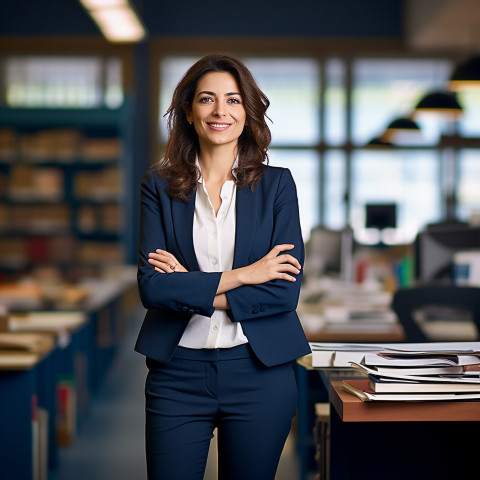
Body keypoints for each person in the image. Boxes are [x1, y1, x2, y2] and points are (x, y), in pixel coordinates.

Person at [135, 53, 311, 480]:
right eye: (207, 99)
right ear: (189, 113)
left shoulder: (277, 186)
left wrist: (190, 287)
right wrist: (247, 274)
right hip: (177, 374)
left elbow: (284, 291)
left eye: (233, 100)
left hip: (259, 372)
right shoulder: (158, 187)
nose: (220, 111)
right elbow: (153, 290)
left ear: (248, 113)